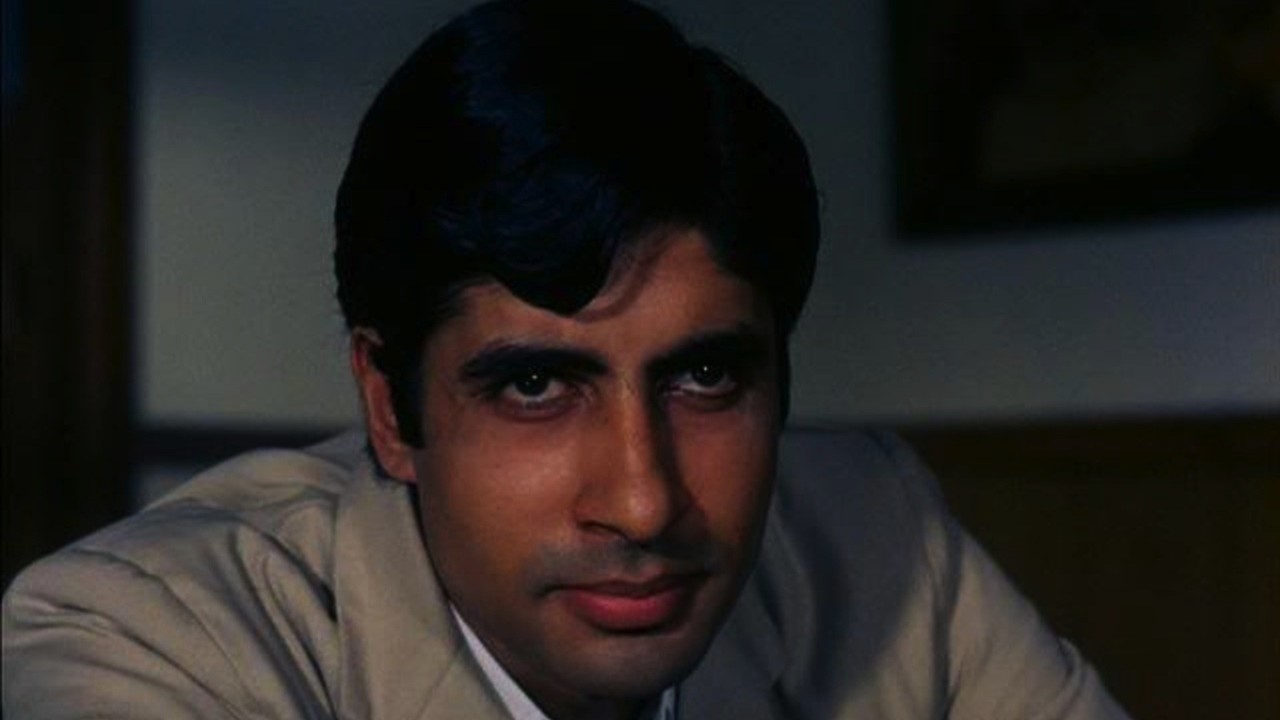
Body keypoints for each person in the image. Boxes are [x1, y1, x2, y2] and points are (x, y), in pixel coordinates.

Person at [1, 0, 1130, 717]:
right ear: (390, 408)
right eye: (535, 386)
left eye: (705, 378)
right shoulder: (142, 637)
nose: (642, 501)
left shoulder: (878, 534)